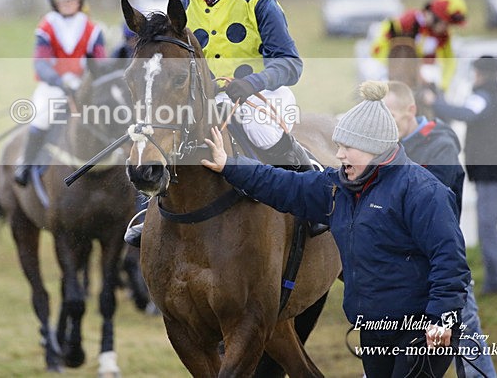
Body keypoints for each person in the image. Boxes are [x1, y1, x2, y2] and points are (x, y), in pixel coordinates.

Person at [201, 81, 470, 378]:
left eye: (347, 147)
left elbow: (450, 262)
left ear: (375, 148)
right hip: (374, 329)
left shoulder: (423, 192)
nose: (339, 155)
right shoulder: (337, 187)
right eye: (339, 146)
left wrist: (442, 319)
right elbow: (282, 185)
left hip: (421, 329)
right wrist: (230, 166)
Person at [125, 0, 311, 247]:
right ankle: (150, 210)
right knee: (161, 134)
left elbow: (291, 63)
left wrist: (252, 83)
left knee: (262, 132)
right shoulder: (180, 8)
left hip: (260, 95)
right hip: (206, 99)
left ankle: (310, 196)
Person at [385, 81, 497, 378]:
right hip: (404, 263)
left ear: (411, 110)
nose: (386, 125)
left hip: (441, 259)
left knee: (467, 332)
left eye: (391, 116)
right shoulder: (386, 148)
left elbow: (434, 202)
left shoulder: (440, 144)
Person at [426, 55, 497, 296]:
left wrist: (434, 102)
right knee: (487, 228)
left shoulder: (485, 96)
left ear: (481, 72)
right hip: (495, 171)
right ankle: (496, 281)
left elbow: (467, 113)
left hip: (493, 173)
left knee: (487, 228)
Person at [13, 0, 107, 186]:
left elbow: (100, 62)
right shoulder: (47, 25)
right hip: (54, 85)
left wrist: (88, 82)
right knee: (42, 116)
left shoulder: (92, 28)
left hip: (84, 85)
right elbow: (41, 62)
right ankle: (25, 164)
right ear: (53, 1)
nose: (66, 1)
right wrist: (59, 81)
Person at [371, 0, 467, 91]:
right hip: (392, 77)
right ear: (436, 17)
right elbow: (377, 51)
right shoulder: (404, 22)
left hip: (420, 84)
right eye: (446, 24)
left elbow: (449, 63)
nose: (447, 29)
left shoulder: (444, 36)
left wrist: (443, 88)